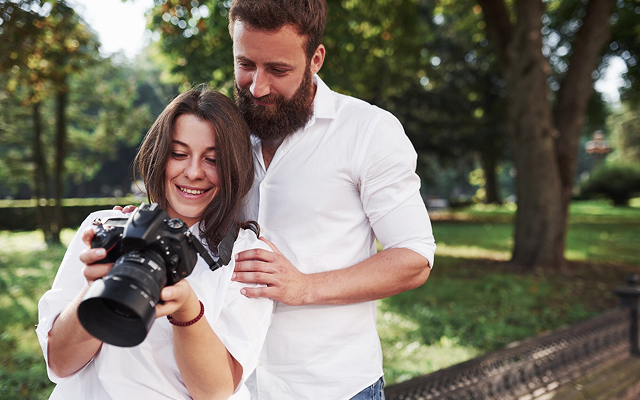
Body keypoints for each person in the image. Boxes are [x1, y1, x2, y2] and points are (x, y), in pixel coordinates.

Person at [227, 1, 437, 399]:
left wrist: (304, 286)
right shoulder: (223, 131)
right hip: (234, 386)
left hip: (335, 387)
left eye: (278, 69)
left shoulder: (369, 131)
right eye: (246, 64)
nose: (258, 86)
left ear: (316, 58)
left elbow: (413, 259)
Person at [36, 87, 274, 400]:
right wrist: (99, 283)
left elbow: (214, 391)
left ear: (234, 167)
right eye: (179, 154)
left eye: (212, 159)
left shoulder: (246, 255)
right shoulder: (106, 227)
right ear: (159, 156)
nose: (193, 172)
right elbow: (60, 362)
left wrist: (187, 309)